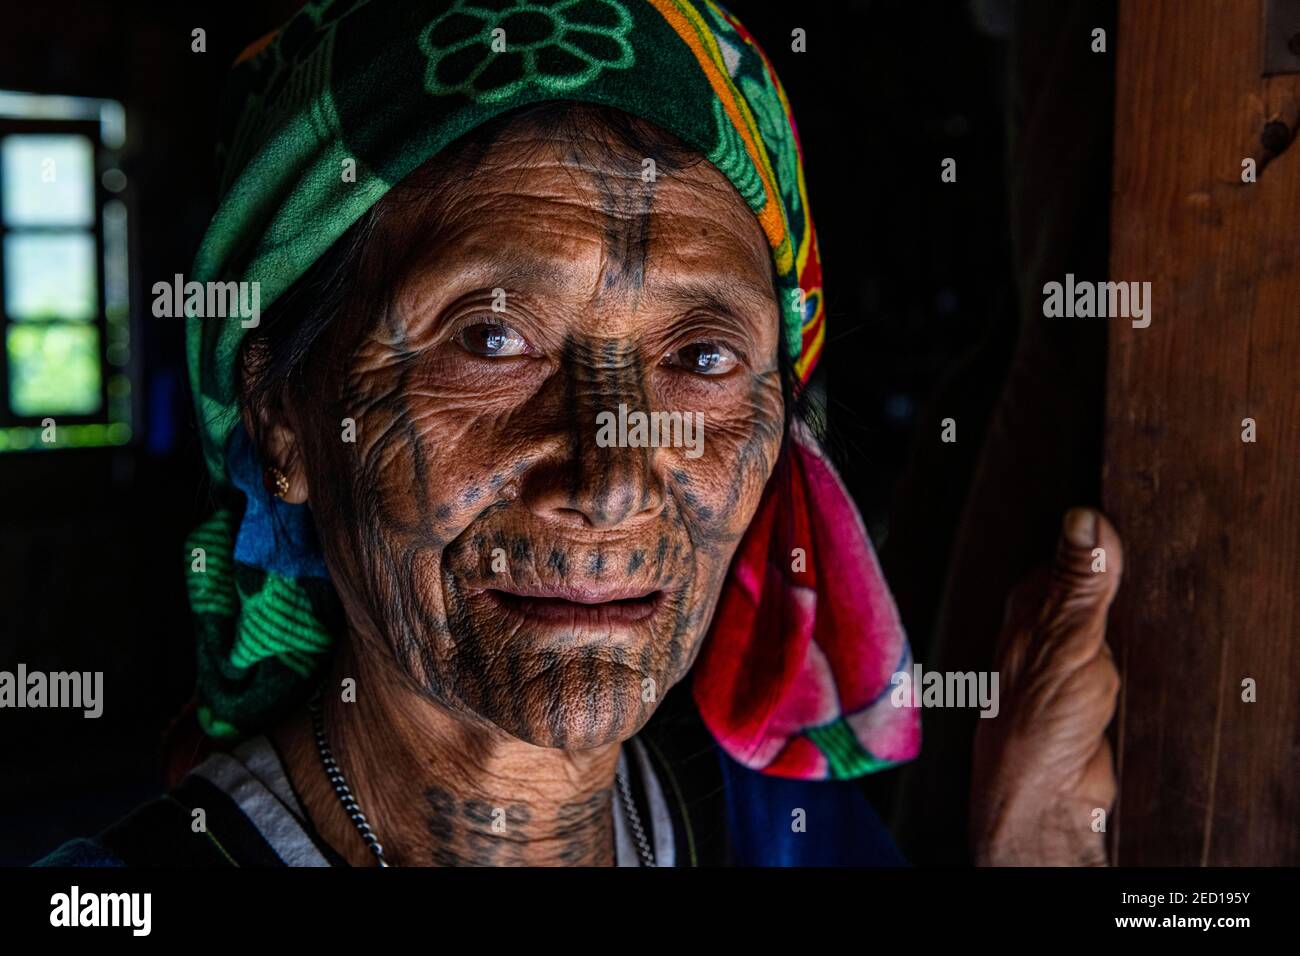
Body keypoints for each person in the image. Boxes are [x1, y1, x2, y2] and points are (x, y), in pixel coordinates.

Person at [37, 0, 1121, 867]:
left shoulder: (784, 835)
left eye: (701, 358)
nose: (607, 481)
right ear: (283, 417)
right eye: (491, 339)